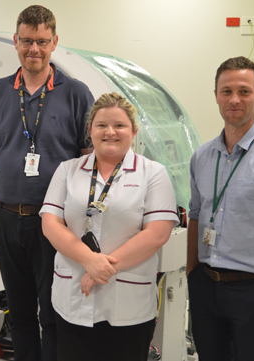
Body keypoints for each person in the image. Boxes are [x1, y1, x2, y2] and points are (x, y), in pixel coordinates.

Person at [0, 5, 94, 360]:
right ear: (15, 41)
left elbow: (88, 158)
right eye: (27, 41)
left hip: (55, 221)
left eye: (42, 42)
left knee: (53, 309)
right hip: (7, 219)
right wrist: (17, 187)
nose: (34, 49)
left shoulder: (75, 93)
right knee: (20, 311)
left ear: (54, 42)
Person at [41, 92, 178, 360]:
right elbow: (51, 223)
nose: (110, 132)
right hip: (73, 296)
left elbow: (157, 233)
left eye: (119, 125)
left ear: (134, 131)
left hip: (128, 302)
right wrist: (88, 260)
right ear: (90, 130)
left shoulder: (153, 173)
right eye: (101, 125)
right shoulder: (68, 170)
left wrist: (101, 269)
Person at [187, 56, 254, 360]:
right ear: (216, 95)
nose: (234, 99)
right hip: (206, 287)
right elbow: (196, 215)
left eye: (244, 91)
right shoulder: (202, 156)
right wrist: (192, 273)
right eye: (226, 91)